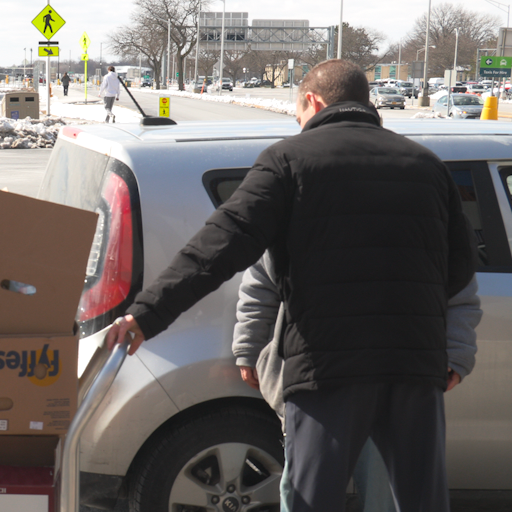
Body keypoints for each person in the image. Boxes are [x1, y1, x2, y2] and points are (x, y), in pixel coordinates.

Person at [106, 59, 476, 512]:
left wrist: (147, 315)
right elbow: (459, 270)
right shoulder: (428, 167)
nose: (299, 124)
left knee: (311, 498)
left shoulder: (289, 162)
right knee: (421, 501)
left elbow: (217, 247)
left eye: (298, 113)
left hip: (326, 368)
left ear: (313, 101)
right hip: (415, 367)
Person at [234, 252, 481, 511]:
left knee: (381, 496)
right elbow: (262, 280)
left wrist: (456, 349)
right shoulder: (300, 211)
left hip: (390, 377)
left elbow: (459, 285)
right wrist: (250, 346)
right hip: (314, 376)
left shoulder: (425, 213)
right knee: (302, 495)